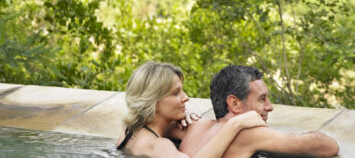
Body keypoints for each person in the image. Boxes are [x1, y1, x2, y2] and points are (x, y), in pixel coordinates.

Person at [179, 65, 340, 158]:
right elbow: (327, 146)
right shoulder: (248, 134)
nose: (269, 107)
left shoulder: (194, 126)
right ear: (235, 103)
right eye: (262, 99)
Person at [115, 61, 265, 158]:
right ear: (153, 100)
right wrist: (235, 124)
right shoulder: (160, 146)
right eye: (176, 93)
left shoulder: (127, 134)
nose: (185, 97)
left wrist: (176, 118)